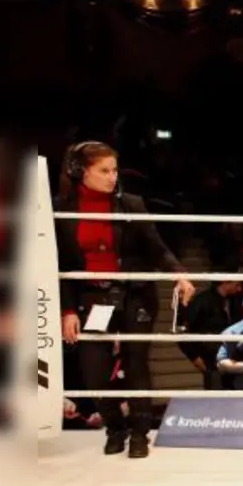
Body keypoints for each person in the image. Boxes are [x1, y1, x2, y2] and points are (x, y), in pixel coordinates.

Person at [54, 140, 196, 458]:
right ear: (80, 172)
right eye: (104, 170)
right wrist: (66, 310)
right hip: (91, 297)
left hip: (134, 293)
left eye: (114, 170)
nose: (112, 177)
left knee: (136, 361)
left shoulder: (130, 205)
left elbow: (156, 246)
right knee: (93, 368)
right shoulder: (62, 210)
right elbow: (61, 265)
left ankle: (140, 433)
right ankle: (115, 427)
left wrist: (179, 274)